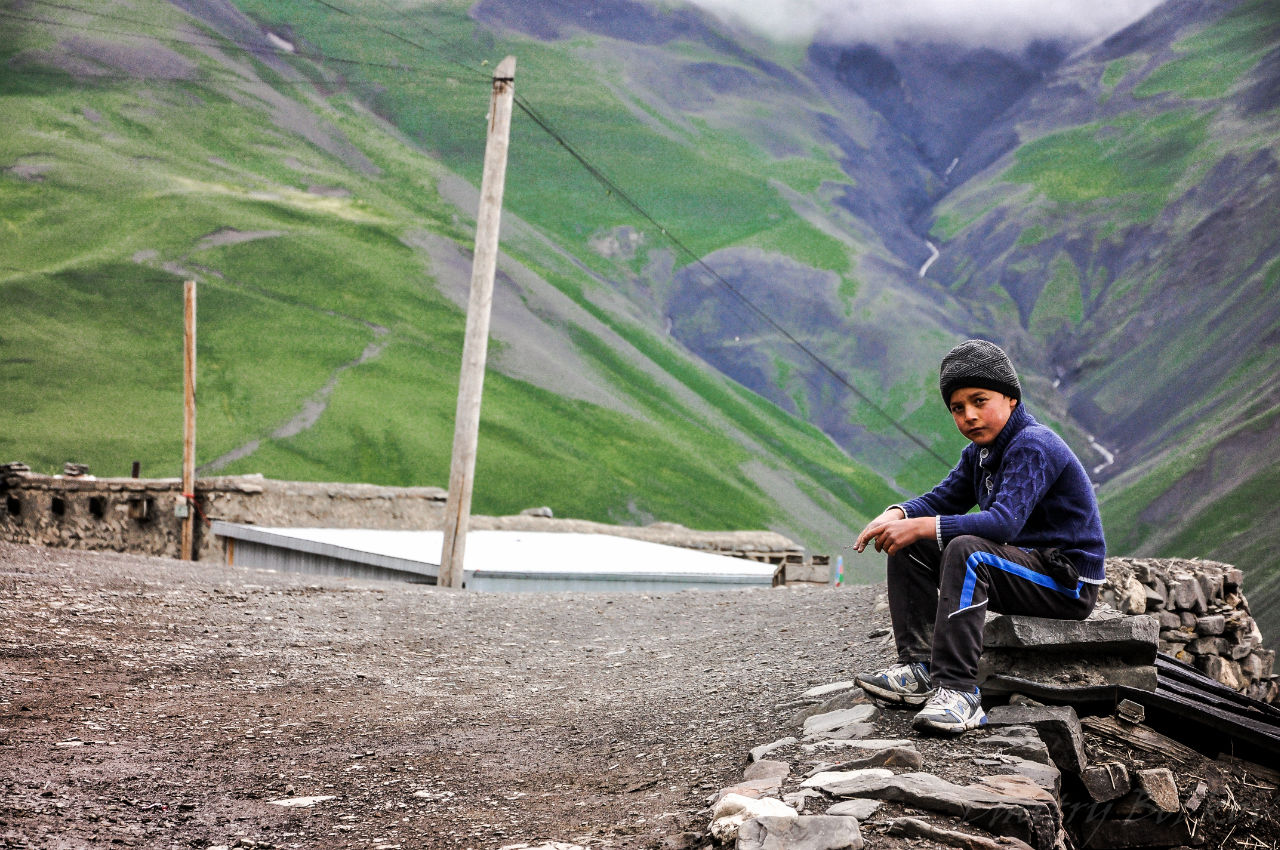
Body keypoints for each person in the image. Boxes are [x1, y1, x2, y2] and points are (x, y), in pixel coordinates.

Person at [853, 339, 1105, 734]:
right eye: (957, 407)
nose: (969, 416)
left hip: (1066, 581)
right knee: (910, 544)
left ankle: (960, 692)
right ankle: (920, 669)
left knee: (968, 551)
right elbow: (943, 498)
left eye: (979, 400)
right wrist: (898, 514)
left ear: (1011, 398)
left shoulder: (1034, 445)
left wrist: (922, 524)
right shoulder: (981, 452)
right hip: (1025, 565)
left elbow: (1002, 523)